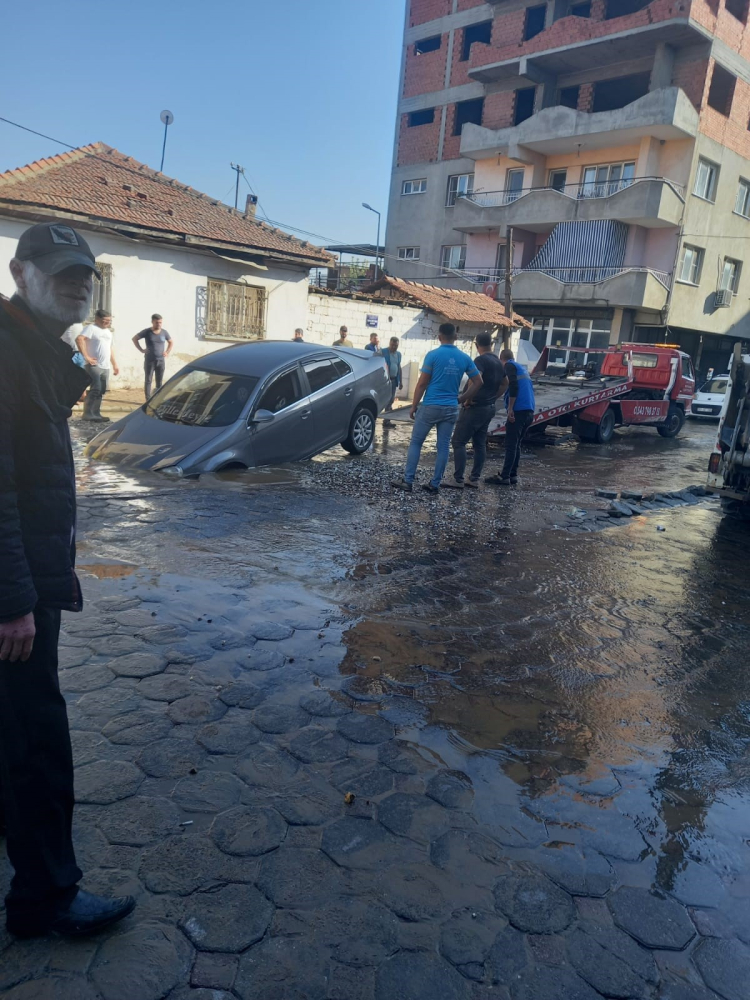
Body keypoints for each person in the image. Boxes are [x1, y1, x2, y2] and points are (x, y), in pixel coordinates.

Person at [0, 222, 135, 937]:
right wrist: (15, 600)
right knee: (38, 745)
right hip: (15, 598)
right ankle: (46, 900)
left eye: (85, 273)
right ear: (21, 274)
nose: (77, 283)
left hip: (21, 585)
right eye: (59, 272)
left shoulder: (29, 348)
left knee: (12, 736)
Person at [392, 323, 482, 494]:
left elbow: (422, 383)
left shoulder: (433, 355)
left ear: (439, 336)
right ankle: (435, 484)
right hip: (450, 408)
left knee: (417, 442)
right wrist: (462, 398)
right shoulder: (465, 358)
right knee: (443, 446)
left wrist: (413, 405)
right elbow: (478, 382)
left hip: (431, 406)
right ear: (455, 337)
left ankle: (408, 480)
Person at [444, 331, 504, 489]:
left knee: (458, 441)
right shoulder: (498, 361)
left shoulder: (481, 360)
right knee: (479, 444)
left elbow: (475, 381)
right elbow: (506, 383)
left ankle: (457, 479)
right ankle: (474, 478)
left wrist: (466, 400)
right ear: (491, 344)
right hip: (489, 408)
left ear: (477, 346)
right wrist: (494, 397)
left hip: (476, 407)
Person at [485, 348, 536, 486]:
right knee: (516, 444)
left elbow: (512, 385)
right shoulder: (521, 368)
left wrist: (510, 408)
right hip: (529, 411)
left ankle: (505, 476)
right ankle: (513, 475)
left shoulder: (509, 366)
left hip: (518, 411)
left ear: (502, 360)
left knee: (510, 445)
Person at [77, 309, 118, 422]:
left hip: (105, 366)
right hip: (94, 365)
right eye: (105, 320)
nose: (108, 323)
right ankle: (88, 413)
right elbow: (80, 339)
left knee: (102, 390)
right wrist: (87, 357)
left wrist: (114, 364)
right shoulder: (91, 328)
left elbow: (110, 349)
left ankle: (96, 413)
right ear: (97, 319)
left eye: (109, 321)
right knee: (96, 388)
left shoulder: (108, 332)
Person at [132, 313, 172, 399]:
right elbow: (134, 338)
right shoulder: (147, 332)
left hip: (161, 361)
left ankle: (157, 399)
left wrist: (167, 351)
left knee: (159, 381)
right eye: (157, 322)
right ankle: (148, 399)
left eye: (160, 322)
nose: (159, 324)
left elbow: (171, 342)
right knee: (148, 380)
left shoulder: (164, 332)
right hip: (150, 361)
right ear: (152, 322)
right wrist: (141, 350)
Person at [381, 337, 403, 427]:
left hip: (394, 380)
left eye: (396, 345)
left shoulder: (398, 354)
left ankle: (387, 420)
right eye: (392, 345)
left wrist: (401, 381)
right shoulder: (383, 352)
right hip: (384, 380)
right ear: (389, 343)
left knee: (391, 400)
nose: (394, 347)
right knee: (383, 399)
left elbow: (399, 367)